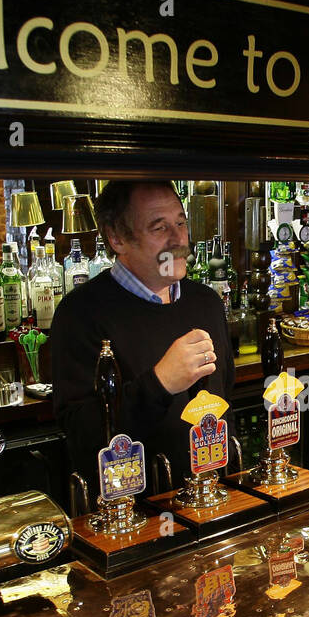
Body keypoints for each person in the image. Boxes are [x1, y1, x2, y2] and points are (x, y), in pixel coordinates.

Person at [52, 181, 234, 492]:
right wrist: (160, 382)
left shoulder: (206, 302)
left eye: (180, 222)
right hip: (136, 513)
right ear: (117, 238)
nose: (178, 239)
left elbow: (223, 399)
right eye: (159, 228)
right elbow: (83, 439)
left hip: (212, 497)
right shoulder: (80, 313)